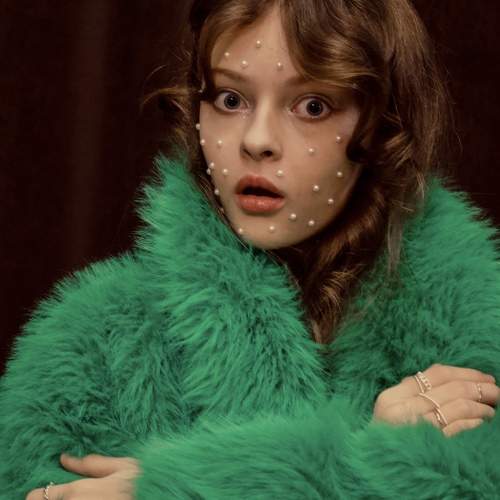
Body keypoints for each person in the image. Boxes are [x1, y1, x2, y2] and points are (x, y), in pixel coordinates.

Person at [2, 0, 500, 498]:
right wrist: (373, 465)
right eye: (230, 99)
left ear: (383, 126)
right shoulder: (91, 345)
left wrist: (180, 488)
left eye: (313, 106)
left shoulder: (468, 331)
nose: (256, 140)